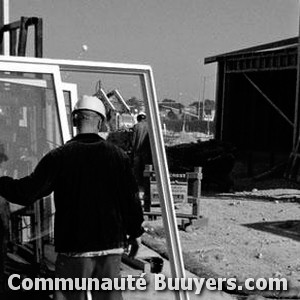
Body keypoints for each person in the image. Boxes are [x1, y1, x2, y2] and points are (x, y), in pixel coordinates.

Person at [0, 95, 144, 300]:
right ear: (101, 122)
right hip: (110, 246)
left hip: (74, 248)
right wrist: (136, 231)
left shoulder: (59, 157)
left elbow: (26, 192)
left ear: (74, 121)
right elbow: (131, 200)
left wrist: (1, 183)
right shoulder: (118, 156)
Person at [131, 112, 152, 194]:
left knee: (137, 170)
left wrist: (132, 150)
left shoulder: (136, 126)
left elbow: (134, 140)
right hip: (146, 152)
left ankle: (138, 185)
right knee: (146, 170)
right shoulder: (149, 126)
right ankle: (146, 185)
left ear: (138, 118)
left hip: (137, 151)